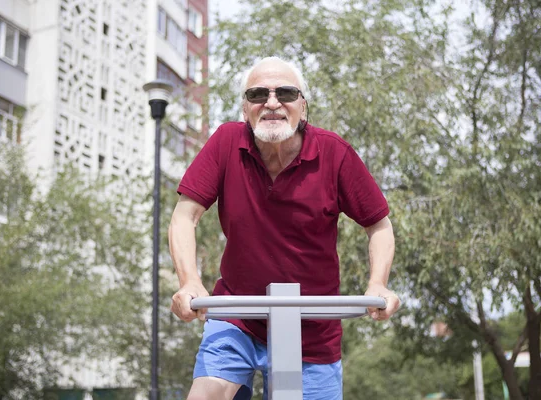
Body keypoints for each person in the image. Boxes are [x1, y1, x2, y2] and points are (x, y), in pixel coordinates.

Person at [168, 56, 400, 400]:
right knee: (205, 395)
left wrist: (378, 284)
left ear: (302, 107)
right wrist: (189, 282)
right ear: (245, 108)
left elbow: (378, 225)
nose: (272, 103)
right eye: (258, 94)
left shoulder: (334, 153)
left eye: (286, 93)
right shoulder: (226, 142)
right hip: (238, 315)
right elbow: (184, 216)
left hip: (313, 329)